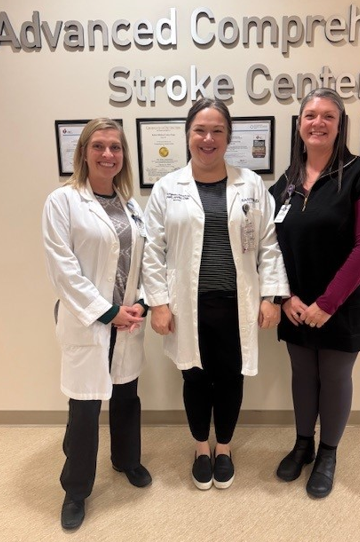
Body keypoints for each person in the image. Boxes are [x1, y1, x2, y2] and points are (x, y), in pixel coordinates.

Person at [142, 98, 290, 490]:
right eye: (200, 130)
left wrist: (270, 297)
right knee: (194, 378)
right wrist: (157, 303)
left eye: (217, 131)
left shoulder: (251, 184)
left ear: (228, 137)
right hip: (186, 307)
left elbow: (269, 245)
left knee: (230, 379)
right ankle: (200, 448)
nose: (208, 139)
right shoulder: (166, 188)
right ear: (187, 135)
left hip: (234, 304)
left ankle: (223, 448)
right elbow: (152, 251)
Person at [269, 88, 360, 498]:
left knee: (335, 377)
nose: (317, 123)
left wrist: (328, 303)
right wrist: (286, 297)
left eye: (328, 116)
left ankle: (327, 453)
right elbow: (272, 247)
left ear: (340, 126)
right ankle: (302, 444)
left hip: (345, 303)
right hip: (297, 304)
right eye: (310, 115)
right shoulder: (286, 182)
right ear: (299, 124)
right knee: (302, 374)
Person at [42, 118, 152, 530]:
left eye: (116, 147)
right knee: (85, 407)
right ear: (84, 152)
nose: (109, 154)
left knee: (126, 396)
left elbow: (144, 263)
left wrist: (140, 302)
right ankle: (75, 489)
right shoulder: (63, 201)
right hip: (90, 321)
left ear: (124, 156)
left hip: (128, 321)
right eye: (100, 146)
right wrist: (107, 312)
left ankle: (127, 461)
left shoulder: (132, 205)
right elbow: (63, 271)